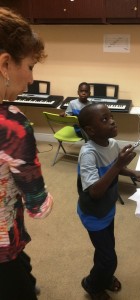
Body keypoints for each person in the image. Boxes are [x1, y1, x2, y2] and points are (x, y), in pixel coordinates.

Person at [0, 7, 53, 300]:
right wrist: (46, 200)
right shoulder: (11, 124)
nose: (31, 78)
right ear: (6, 64)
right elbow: (38, 206)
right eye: (30, 66)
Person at [77, 103, 140, 300]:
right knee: (109, 258)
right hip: (93, 214)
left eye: (111, 116)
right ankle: (92, 284)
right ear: (90, 130)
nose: (112, 121)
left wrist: (131, 171)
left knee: (105, 250)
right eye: (104, 119)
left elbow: (115, 169)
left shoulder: (111, 144)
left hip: (107, 210)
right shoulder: (88, 154)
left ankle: (105, 276)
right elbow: (94, 192)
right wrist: (118, 164)